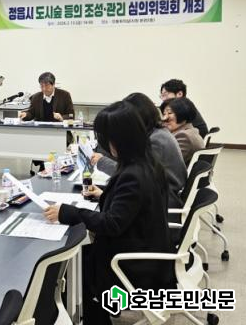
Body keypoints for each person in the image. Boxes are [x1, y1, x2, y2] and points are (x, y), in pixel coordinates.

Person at [44, 101, 174, 325]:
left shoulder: (133, 174)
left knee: (70, 265)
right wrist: (104, 194)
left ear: (119, 140)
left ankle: (94, 317)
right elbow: (134, 206)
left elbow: (111, 224)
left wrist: (66, 212)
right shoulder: (147, 163)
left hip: (134, 263)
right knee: (80, 255)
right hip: (147, 250)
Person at [91, 93, 187, 209]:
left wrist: (102, 161)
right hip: (158, 196)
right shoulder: (157, 133)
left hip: (162, 202)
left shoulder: (156, 140)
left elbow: (135, 175)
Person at [161, 97, 205, 165]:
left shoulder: (184, 136)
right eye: (164, 114)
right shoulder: (190, 131)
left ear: (183, 113)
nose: (165, 118)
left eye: (169, 113)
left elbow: (164, 162)